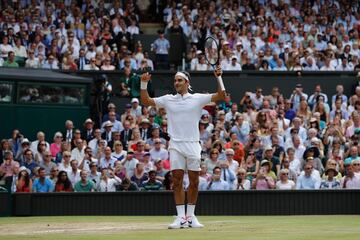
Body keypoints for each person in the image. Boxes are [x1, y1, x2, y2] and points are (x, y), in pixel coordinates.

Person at [140, 66, 225, 228]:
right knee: (177, 181)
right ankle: (180, 218)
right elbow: (146, 101)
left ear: (187, 82)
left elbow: (221, 95)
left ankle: (191, 217)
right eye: (175, 81)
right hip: (176, 145)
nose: (176, 83)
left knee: (194, 181)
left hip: (193, 144)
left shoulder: (198, 98)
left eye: (179, 80)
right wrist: (144, 84)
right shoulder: (167, 99)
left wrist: (219, 77)